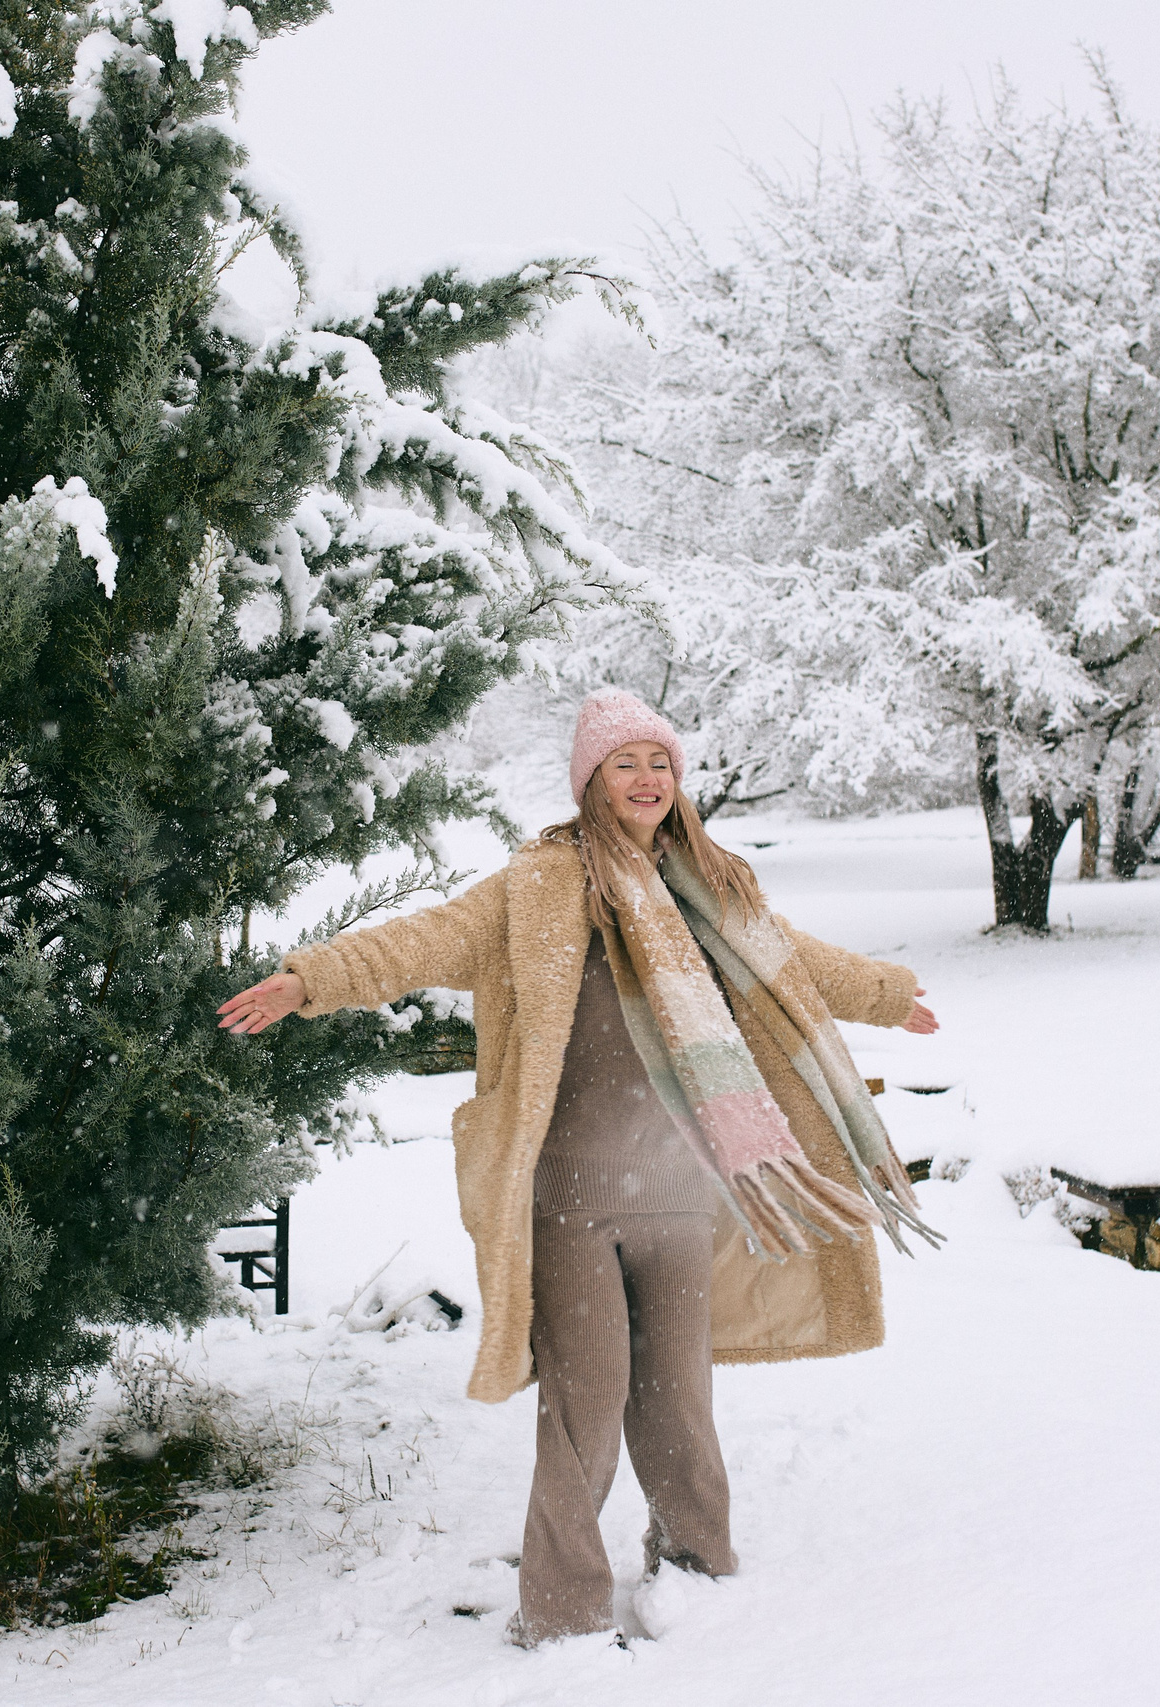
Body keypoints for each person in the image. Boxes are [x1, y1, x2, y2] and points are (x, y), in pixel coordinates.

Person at [217, 688, 941, 1646]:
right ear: (590, 780)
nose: (647, 780)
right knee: (587, 1409)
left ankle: (698, 1573)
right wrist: (313, 978)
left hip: (681, 1198)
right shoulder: (540, 886)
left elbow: (794, 964)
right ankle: (559, 1617)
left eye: (661, 763)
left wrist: (889, 994)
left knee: (680, 1402)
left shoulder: (714, 888)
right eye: (625, 764)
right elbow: (425, 938)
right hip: (572, 1203)